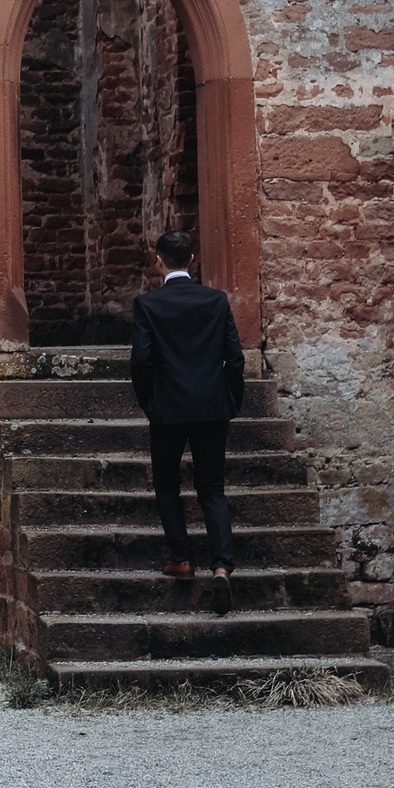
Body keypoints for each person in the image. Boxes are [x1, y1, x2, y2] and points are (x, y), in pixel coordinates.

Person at [127, 228, 244, 617]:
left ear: (158, 260)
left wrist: (150, 402)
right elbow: (235, 357)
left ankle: (183, 559)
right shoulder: (215, 300)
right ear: (192, 259)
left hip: (168, 409)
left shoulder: (148, 304)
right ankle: (222, 565)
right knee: (212, 488)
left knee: (165, 483)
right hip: (212, 406)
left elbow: (142, 361)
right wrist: (231, 399)